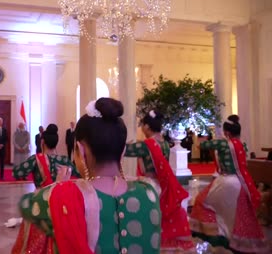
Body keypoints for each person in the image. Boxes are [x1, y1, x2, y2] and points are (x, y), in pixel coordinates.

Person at [19, 98, 162, 254]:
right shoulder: (149, 193)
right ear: (122, 152)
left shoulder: (58, 198)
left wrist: (58, 189)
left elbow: (27, 209)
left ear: (81, 150)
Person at [190, 115, 269, 253]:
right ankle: (236, 243)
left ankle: (217, 236)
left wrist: (216, 138)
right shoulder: (243, 144)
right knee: (234, 216)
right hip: (240, 184)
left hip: (225, 182)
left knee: (202, 202)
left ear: (227, 132)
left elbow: (201, 145)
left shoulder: (223, 143)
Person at [124, 110, 195, 252]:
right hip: (162, 185)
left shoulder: (147, 145)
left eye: (142, 125)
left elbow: (124, 150)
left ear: (147, 127)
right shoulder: (164, 144)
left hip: (149, 185)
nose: (141, 128)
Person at [12, 123, 78, 253]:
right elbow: (78, 173)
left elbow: (17, 173)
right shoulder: (64, 159)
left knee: (35, 243)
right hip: (60, 205)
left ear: (42, 142)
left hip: (40, 204)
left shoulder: (36, 159)